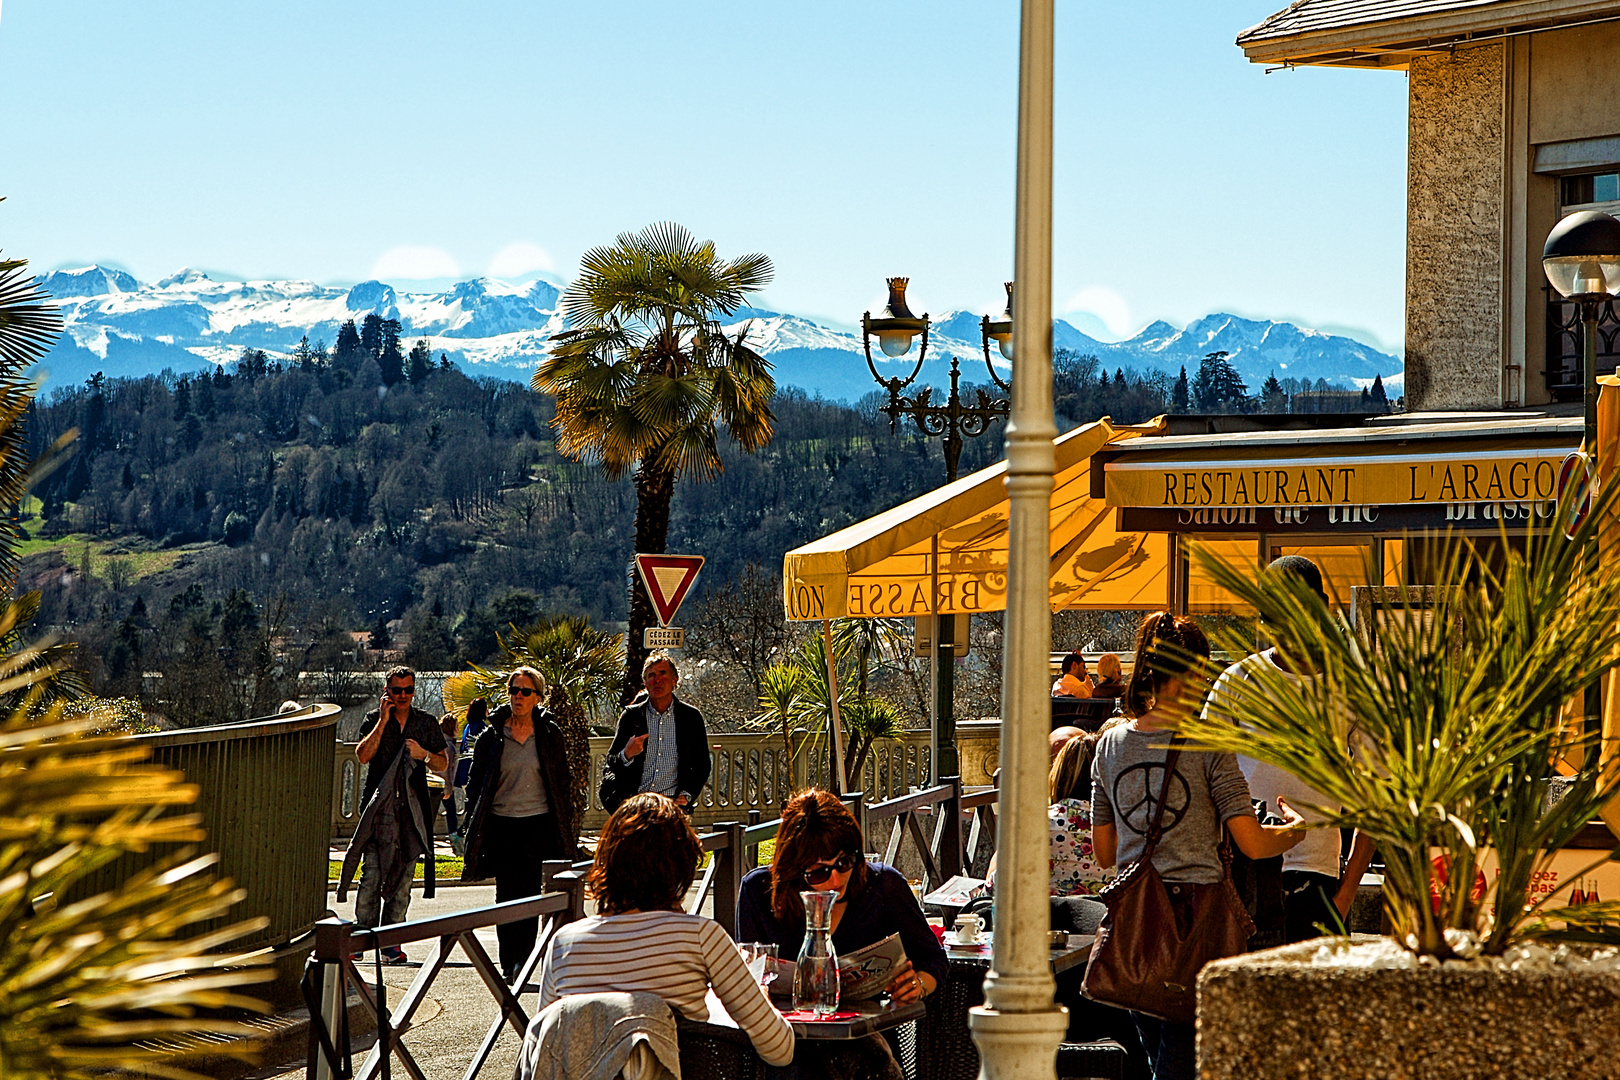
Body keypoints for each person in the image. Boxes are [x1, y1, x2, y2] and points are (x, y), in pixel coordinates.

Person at [1090, 612, 1305, 1080]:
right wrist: (1295, 831)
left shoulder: (1109, 746)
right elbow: (1251, 843)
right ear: (1190, 672)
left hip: (1135, 924)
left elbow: (1104, 853)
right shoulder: (1208, 744)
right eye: (1202, 671)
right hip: (1196, 922)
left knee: (1159, 1059)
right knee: (1183, 1062)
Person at [537, 793, 794, 1067]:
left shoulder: (564, 943)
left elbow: (545, 1043)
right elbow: (779, 1050)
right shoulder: (700, 937)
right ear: (681, 867)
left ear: (606, 862)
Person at [1202, 555, 1376, 944]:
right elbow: (1200, 777)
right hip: (1242, 873)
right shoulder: (1238, 680)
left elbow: (1377, 802)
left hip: (1318, 878)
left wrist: (1344, 898)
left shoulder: (1351, 687)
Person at [737, 789, 946, 1080]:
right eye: (819, 872)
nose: (835, 880)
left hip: (867, 1045)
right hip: (787, 1047)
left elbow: (934, 959)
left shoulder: (883, 887)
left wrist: (918, 985)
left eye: (844, 862)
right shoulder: (758, 892)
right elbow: (748, 975)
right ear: (794, 869)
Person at [461, 666, 578, 981]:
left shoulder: (549, 735)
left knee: (528, 895)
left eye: (525, 692)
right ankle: (508, 962)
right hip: (502, 825)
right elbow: (475, 784)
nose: (518, 697)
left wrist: (565, 825)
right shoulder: (492, 736)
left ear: (537, 697)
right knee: (505, 896)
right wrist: (471, 822)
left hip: (537, 824)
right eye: (514, 690)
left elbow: (562, 782)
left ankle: (522, 963)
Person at [352, 665, 448, 963]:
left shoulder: (426, 723)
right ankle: (361, 937)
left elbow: (443, 764)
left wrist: (425, 755)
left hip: (412, 811)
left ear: (414, 690)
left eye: (408, 690)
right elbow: (362, 755)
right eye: (397, 690)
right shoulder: (373, 719)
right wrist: (382, 721)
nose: (403, 695)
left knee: (405, 875)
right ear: (387, 691)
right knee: (372, 875)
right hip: (377, 810)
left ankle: (392, 941)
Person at [603, 651, 710, 813]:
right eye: (651, 675)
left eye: (662, 673)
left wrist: (688, 795)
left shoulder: (690, 717)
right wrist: (627, 754)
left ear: (675, 680)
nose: (657, 680)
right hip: (637, 807)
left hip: (672, 807)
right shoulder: (631, 716)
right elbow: (611, 761)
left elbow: (702, 765)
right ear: (645, 683)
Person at [437, 712, 460, 836]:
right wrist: (448, 788)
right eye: (456, 726)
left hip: (436, 784)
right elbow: (446, 770)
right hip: (443, 785)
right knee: (451, 812)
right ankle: (453, 835)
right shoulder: (449, 746)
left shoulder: (439, 742)